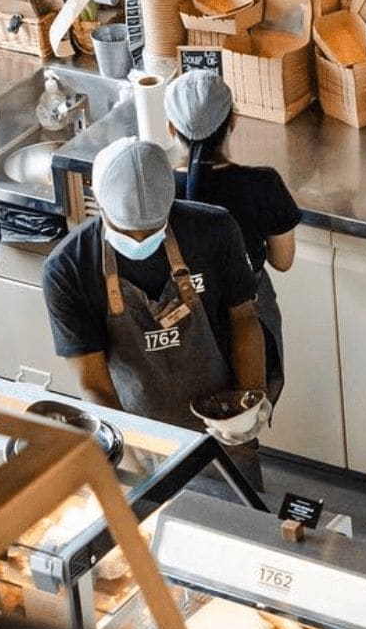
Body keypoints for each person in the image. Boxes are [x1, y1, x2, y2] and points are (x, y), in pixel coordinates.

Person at [42, 138, 266, 434]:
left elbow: (244, 318)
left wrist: (249, 403)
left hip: (222, 417)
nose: (139, 240)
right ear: (99, 200)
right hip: (133, 425)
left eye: (153, 229)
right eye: (126, 230)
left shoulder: (215, 230)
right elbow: (95, 385)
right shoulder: (69, 267)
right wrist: (127, 448)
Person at [163, 70, 301, 403]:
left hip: (182, 329)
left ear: (171, 128)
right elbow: (283, 261)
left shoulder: (159, 191)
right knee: (244, 413)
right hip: (252, 322)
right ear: (233, 121)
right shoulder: (263, 184)